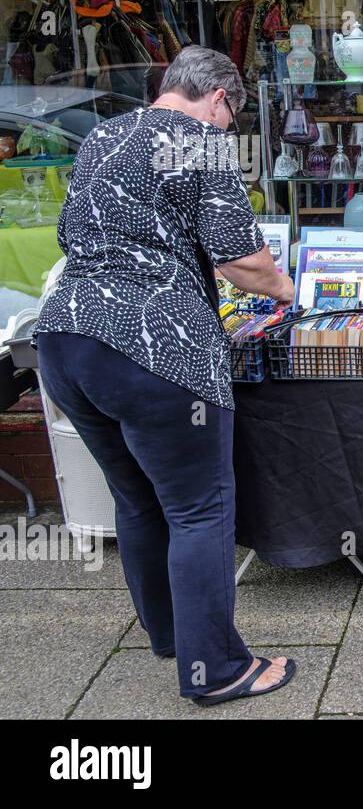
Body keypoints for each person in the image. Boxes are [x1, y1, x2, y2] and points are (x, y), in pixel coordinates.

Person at [34, 46, 298, 707]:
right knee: (200, 508)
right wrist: (287, 289)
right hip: (154, 350)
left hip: (66, 341)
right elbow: (244, 261)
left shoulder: (102, 134)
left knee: (139, 499)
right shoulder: (199, 143)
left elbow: (76, 232)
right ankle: (218, 669)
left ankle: (170, 634)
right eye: (230, 121)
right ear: (218, 100)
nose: (225, 133)